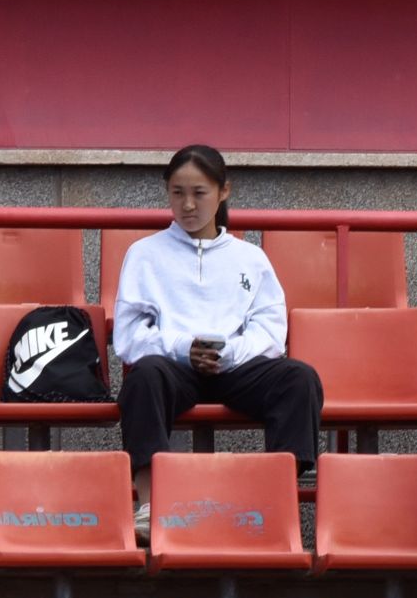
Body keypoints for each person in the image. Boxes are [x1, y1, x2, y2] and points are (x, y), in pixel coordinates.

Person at [114, 144, 324, 542]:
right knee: (142, 378)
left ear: (223, 191)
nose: (188, 204)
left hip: (236, 369)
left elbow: (269, 331)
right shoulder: (144, 254)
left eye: (199, 193)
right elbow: (128, 335)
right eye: (178, 193)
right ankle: (151, 504)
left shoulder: (250, 258)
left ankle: (276, 498)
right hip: (174, 368)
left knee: (299, 380)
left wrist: (228, 354)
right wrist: (182, 348)